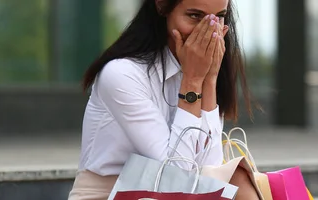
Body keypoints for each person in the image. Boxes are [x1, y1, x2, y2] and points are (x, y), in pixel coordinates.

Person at [68, 0, 258, 199]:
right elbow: (177, 175)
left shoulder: (198, 68)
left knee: (238, 180)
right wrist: (192, 82)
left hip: (166, 191)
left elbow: (210, 172)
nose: (209, 32)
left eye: (219, 17)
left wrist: (209, 80)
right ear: (161, 6)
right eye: (195, 16)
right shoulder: (121, 73)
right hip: (110, 194)